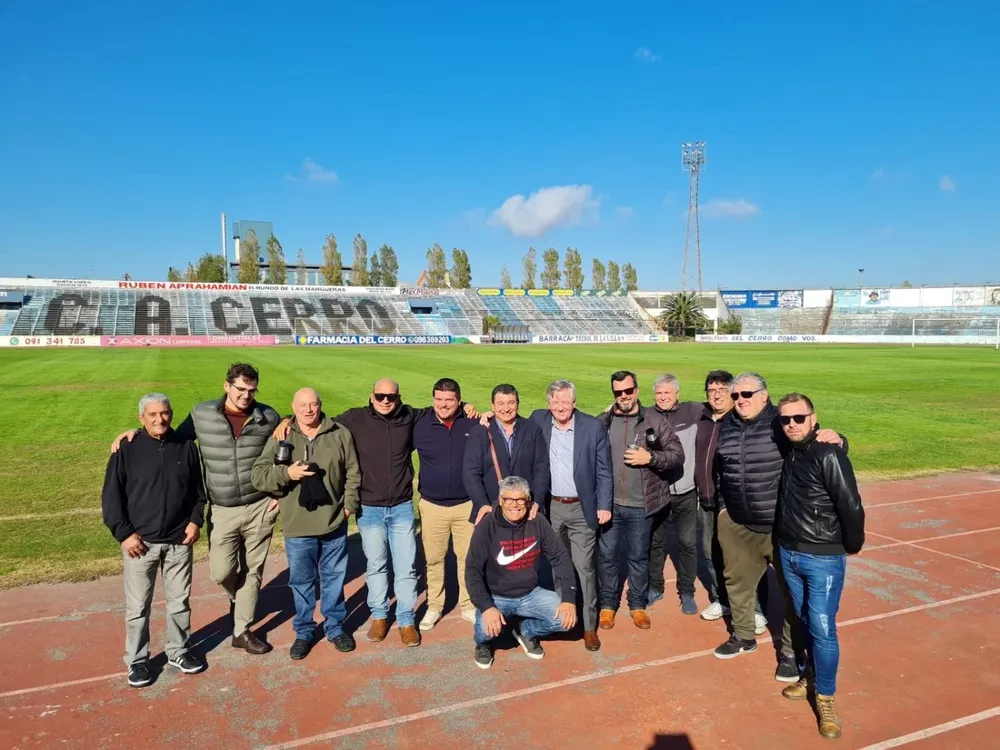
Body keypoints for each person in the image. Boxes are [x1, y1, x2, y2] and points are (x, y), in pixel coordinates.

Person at [272, 379, 478, 647]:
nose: (385, 401)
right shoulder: (354, 418)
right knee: (376, 566)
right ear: (371, 397)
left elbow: (444, 407)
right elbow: (316, 418)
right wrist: (286, 419)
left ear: (398, 398)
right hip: (369, 508)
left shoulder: (410, 416)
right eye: (380, 396)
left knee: (405, 568)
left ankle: (405, 620)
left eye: (391, 397)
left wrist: (470, 408)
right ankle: (379, 616)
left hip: (402, 506)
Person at [111, 363, 281, 656]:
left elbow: (284, 448)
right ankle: (238, 600)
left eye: (252, 390)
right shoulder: (202, 414)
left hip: (259, 506)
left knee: (253, 570)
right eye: (240, 389)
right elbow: (171, 438)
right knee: (222, 571)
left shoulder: (268, 416)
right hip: (222, 508)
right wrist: (135, 434)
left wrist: (280, 491)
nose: (246, 396)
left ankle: (242, 630)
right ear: (226, 386)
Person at [712, 372, 845, 684]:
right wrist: (722, 508)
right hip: (737, 522)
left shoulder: (780, 422)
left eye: (747, 395)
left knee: (791, 594)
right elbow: (720, 470)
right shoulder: (726, 426)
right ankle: (743, 636)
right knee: (737, 583)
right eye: (736, 396)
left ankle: (789, 651)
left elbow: (816, 448)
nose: (740, 401)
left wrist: (839, 440)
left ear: (763, 394)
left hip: (780, 525)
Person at [775, 393, 866, 740]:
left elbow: (851, 505)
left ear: (814, 418)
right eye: (786, 420)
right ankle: (810, 677)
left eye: (799, 418)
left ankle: (825, 698)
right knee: (803, 619)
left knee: (823, 627)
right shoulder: (791, 449)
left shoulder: (829, 454)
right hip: (788, 552)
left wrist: (851, 545)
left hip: (823, 556)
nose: (792, 424)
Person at [102, 393, 207, 688]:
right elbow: (111, 498)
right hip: (140, 544)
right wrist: (124, 534)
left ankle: (178, 650)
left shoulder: (186, 446)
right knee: (137, 607)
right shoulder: (127, 447)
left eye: (164, 413)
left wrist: (196, 521)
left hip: (179, 541)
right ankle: (137, 660)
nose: (160, 419)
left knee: (179, 602)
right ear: (141, 418)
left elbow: (199, 492)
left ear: (171, 414)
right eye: (152, 415)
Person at [250, 388, 361, 660]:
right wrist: (287, 473)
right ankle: (304, 631)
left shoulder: (339, 433)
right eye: (303, 405)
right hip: (297, 526)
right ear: (293, 407)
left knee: (334, 579)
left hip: (334, 522)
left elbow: (353, 473)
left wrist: (348, 507)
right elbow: (258, 475)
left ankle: (335, 628)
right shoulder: (282, 435)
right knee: (301, 581)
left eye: (313, 404)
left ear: (320, 405)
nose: (309, 410)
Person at [529, 380, 613, 652]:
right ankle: (565, 616)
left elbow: (604, 470)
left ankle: (589, 627)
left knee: (584, 567)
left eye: (566, 401)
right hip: (551, 507)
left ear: (574, 402)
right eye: (555, 402)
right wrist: (485, 414)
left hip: (581, 508)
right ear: (548, 404)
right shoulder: (539, 420)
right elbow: (510, 419)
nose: (561, 407)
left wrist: (604, 504)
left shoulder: (592, 427)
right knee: (557, 566)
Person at [597, 371, 684, 630]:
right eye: (618, 392)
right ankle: (608, 605)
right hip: (610, 504)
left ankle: (637, 604)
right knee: (608, 556)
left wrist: (651, 459)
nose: (624, 396)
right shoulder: (603, 420)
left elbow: (677, 455)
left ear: (636, 390)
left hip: (641, 504)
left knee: (638, 556)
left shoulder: (655, 420)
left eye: (628, 390)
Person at [465, 476, 578, 669]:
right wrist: (486, 607)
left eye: (520, 500)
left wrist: (569, 598)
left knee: (566, 620)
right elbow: (472, 571)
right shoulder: (487, 526)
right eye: (509, 499)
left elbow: (561, 558)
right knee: (486, 630)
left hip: (530, 594)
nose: (514, 505)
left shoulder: (538, 521)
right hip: (497, 596)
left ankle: (525, 630)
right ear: (500, 501)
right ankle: (483, 644)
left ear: (528, 501)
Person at [694, 370, 769, 630]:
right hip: (706, 501)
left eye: (723, 391)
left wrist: (836, 438)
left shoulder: (740, 420)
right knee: (711, 553)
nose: (716, 395)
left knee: (744, 560)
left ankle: (756, 609)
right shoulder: (702, 416)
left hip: (734, 504)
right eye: (711, 390)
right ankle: (721, 599)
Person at [413, 378, 478, 630]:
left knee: (467, 559)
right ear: (432, 400)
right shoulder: (420, 425)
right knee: (434, 559)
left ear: (459, 401)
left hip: (466, 505)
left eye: (449, 400)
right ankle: (435, 606)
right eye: (439, 399)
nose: (443, 404)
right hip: (432, 505)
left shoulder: (472, 423)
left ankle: (468, 604)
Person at [645, 374, 706, 614]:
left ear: (677, 394)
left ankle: (687, 592)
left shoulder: (693, 411)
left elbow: (726, 409)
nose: (662, 397)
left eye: (667, 393)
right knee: (655, 543)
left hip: (685, 491)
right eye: (659, 393)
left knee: (687, 543)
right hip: (658, 491)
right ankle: (655, 587)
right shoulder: (647, 414)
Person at [464, 384, 549, 525]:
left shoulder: (532, 430)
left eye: (511, 403)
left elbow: (541, 469)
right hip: (492, 510)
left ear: (518, 404)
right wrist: (482, 504)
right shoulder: (479, 432)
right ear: (492, 406)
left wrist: (536, 501)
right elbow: (471, 472)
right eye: (500, 403)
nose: (506, 408)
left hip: (526, 510)